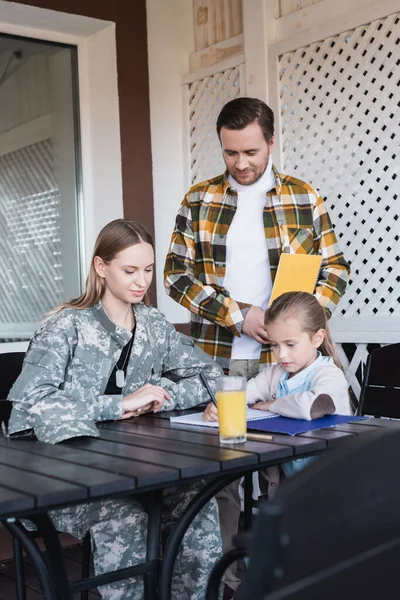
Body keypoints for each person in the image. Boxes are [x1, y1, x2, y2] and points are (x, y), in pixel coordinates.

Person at [164, 97, 350, 597]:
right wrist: (238, 314)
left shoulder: (304, 198)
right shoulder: (198, 200)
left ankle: (287, 576)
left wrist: (296, 318)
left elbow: (336, 269)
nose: (241, 164)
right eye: (230, 153)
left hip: (285, 360)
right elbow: (175, 277)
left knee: (286, 471)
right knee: (216, 477)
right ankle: (222, 582)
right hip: (218, 356)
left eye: (251, 151)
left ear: (271, 141)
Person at [7, 219, 223, 600]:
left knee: (199, 504)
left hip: (134, 464)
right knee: (127, 520)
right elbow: (31, 404)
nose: (141, 281)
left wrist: (160, 395)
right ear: (101, 267)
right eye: (129, 271)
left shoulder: (154, 325)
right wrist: (120, 404)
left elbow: (211, 376)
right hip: (62, 473)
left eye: (148, 270)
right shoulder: (66, 326)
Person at [204, 291, 351, 478]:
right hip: (293, 490)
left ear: (317, 338)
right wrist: (218, 406)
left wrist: (271, 405)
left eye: (290, 344)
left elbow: (313, 405)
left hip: (334, 485)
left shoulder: (329, 375)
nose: (281, 355)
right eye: (274, 345)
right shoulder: (275, 374)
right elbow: (243, 394)